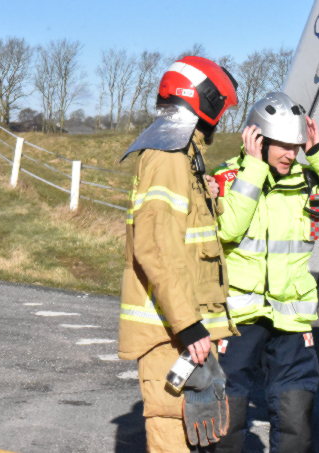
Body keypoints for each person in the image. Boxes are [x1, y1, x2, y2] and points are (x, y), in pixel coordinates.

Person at [210, 92, 319, 452]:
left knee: (297, 418)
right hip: (240, 319)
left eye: (296, 146)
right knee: (228, 420)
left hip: (292, 323)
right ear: (258, 140)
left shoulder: (308, 183)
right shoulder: (228, 179)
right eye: (282, 145)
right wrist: (253, 169)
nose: (290, 154)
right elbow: (229, 230)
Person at [118, 56, 240, 453]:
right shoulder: (168, 158)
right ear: (201, 103)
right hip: (170, 334)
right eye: (217, 112)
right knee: (172, 436)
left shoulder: (183, 159)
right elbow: (154, 245)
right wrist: (189, 326)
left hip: (183, 331)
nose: (218, 123)